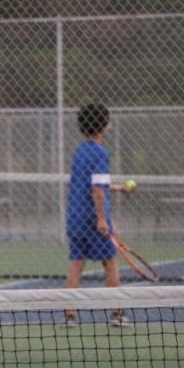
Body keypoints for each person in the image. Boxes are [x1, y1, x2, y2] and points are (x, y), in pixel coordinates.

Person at [63, 103, 135, 327]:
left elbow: (89, 185)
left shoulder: (79, 152)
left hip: (75, 217)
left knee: (76, 264)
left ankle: (69, 316)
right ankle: (117, 314)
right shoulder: (101, 152)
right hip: (93, 218)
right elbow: (96, 189)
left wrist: (118, 188)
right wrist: (102, 219)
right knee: (110, 263)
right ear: (103, 126)